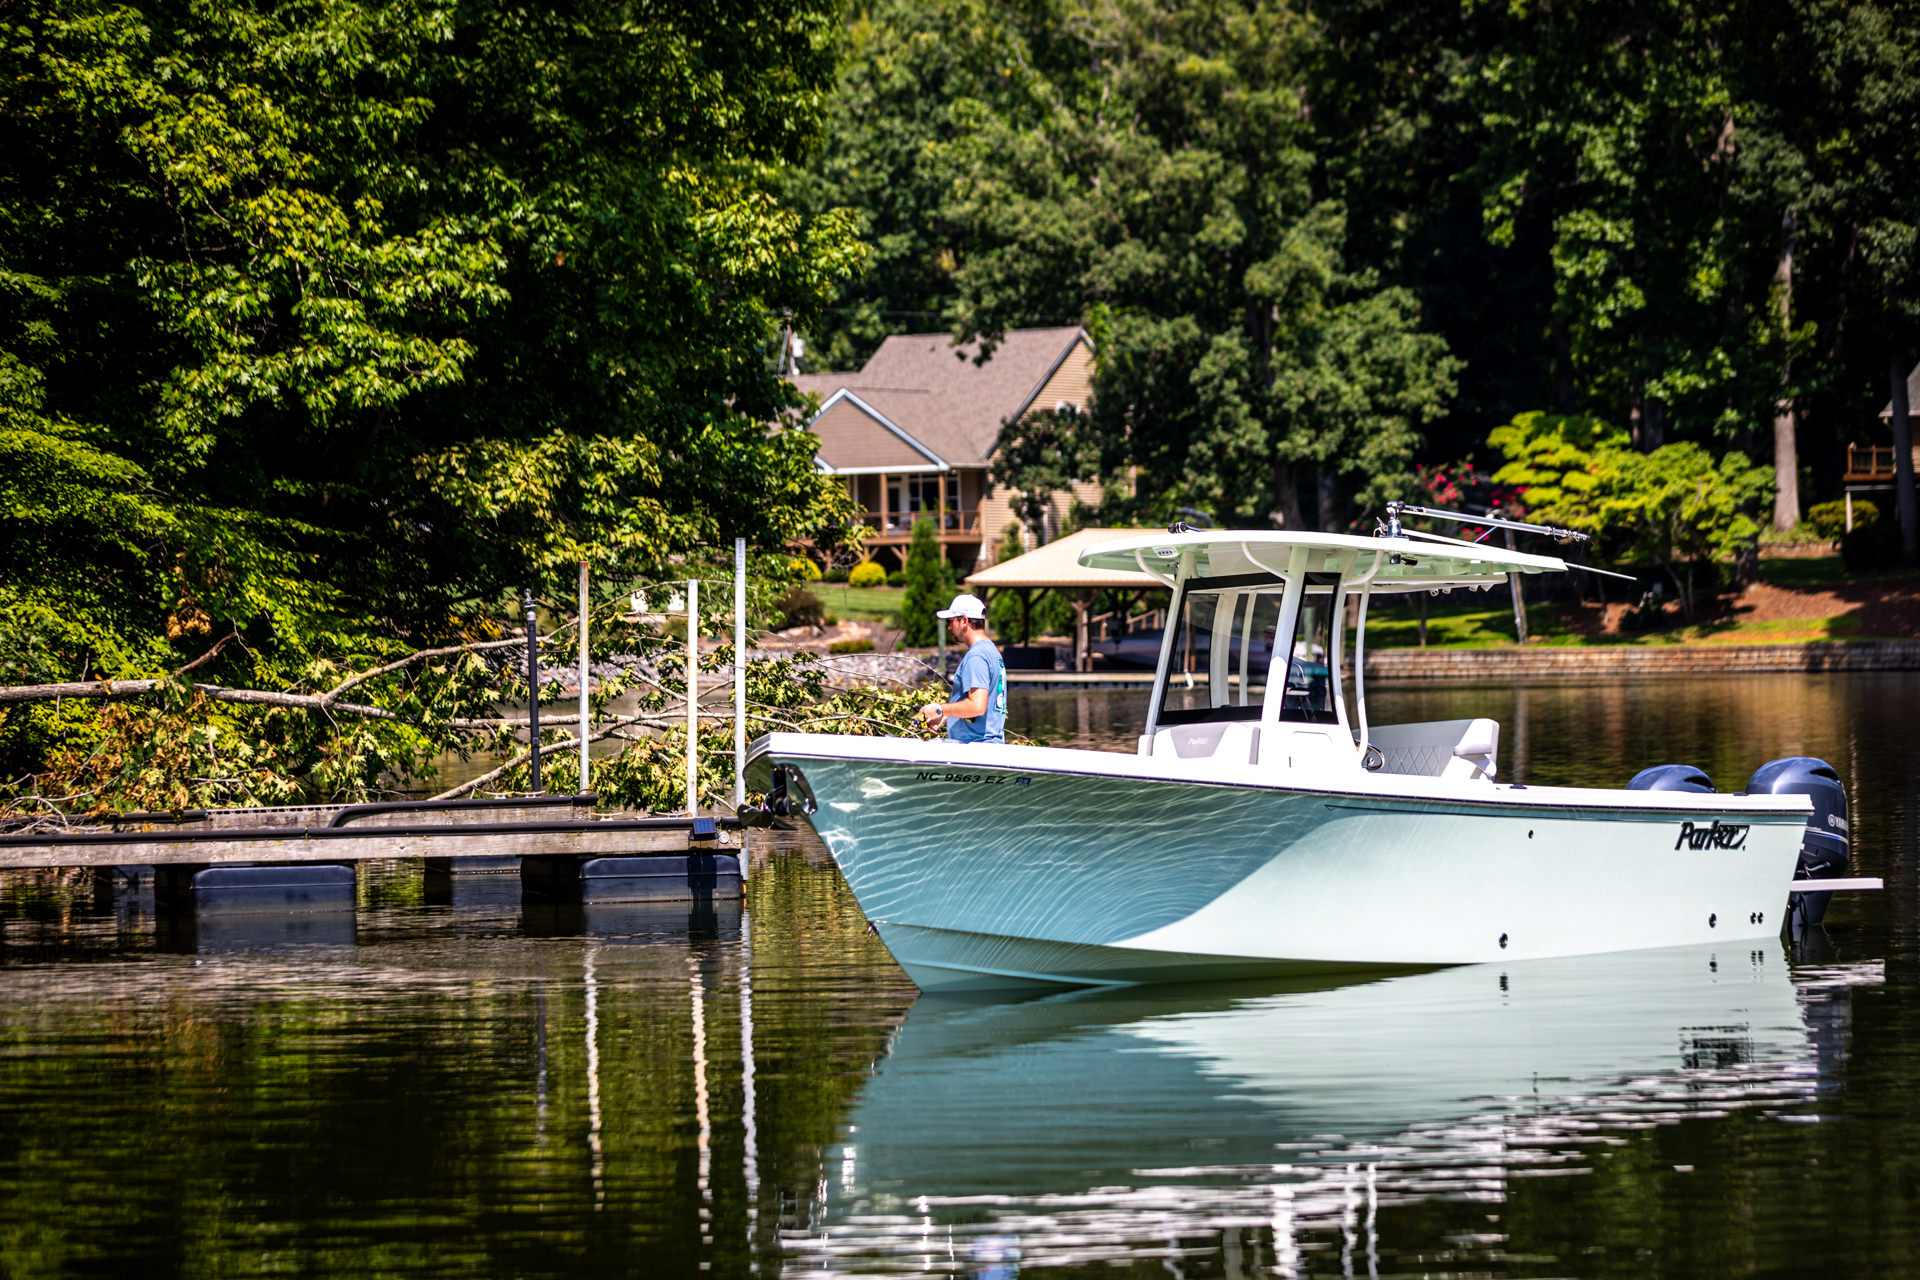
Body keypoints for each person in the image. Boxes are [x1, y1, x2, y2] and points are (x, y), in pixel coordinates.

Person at [918, 593, 1007, 744]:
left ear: (964, 621)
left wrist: (939, 709)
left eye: (950, 621)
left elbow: (977, 706)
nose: (949, 627)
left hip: (976, 749)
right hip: (987, 746)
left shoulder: (977, 656)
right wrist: (948, 716)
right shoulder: (991, 651)